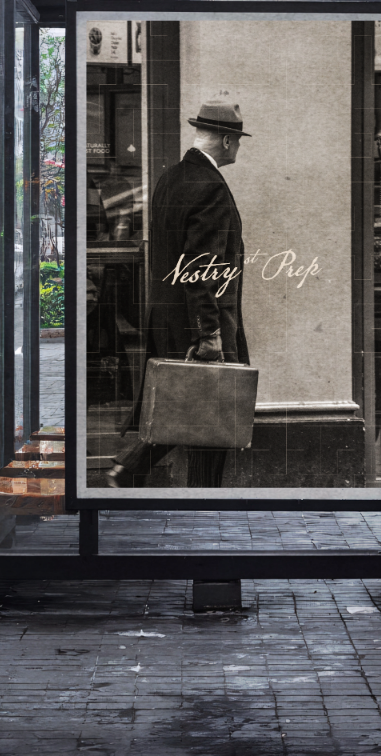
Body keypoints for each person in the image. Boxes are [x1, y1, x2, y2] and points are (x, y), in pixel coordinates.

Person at [105, 98, 251, 488]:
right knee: (214, 420)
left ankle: (132, 468)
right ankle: (203, 506)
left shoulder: (170, 178)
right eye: (237, 140)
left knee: (183, 408)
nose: (238, 148)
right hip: (200, 325)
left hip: (167, 321)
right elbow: (200, 266)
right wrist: (210, 334)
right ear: (225, 140)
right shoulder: (212, 188)